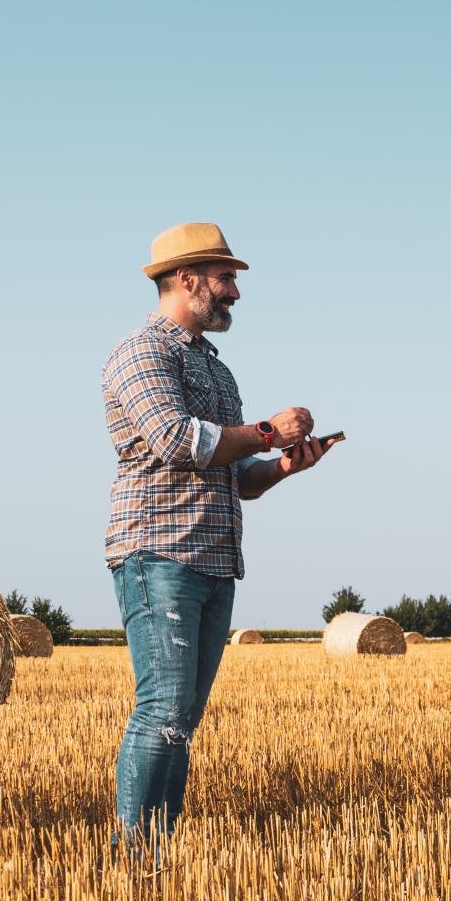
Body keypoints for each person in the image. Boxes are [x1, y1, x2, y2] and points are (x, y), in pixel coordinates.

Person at [100, 222, 328, 849]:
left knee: (184, 719)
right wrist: (264, 431)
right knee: (164, 709)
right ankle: (133, 854)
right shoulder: (143, 352)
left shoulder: (214, 368)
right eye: (226, 279)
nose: (235, 292)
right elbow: (178, 440)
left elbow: (236, 478)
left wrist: (284, 463)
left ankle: (157, 846)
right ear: (186, 277)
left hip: (213, 557)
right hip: (160, 551)